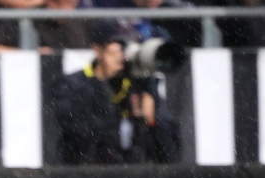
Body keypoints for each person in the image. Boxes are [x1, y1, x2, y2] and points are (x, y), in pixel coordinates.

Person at [53, 21, 180, 164]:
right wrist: (104, 90)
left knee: (163, 124)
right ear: (97, 49)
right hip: (87, 170)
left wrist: (149, 120)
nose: (119, 54)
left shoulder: (137, 84)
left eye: (122, 47)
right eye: (113, 49)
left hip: (133, 171)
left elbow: (168, 144)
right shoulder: (72, 84)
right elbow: (78, 132)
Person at [0, 0, 89, 52]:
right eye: (59, 2)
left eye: (70, 4)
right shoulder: (28, 19)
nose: (65, 10)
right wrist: (31, 55)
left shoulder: (81, 25)